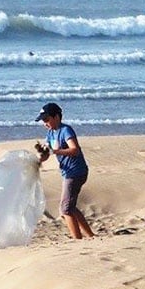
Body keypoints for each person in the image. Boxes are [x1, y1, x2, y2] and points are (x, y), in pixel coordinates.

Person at [35, 102, 95, 240]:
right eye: (43, 121)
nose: (45, 123)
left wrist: (55, 151)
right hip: (68, 173)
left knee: (65, 209)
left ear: (56, 117)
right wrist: (40, 157)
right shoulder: (50, 133)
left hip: (76, 172)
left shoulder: (66, 130)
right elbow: (46, 154)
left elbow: (75, 149)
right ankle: (91, 235)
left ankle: (77, 239)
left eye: (46, 119)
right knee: (71, 207)